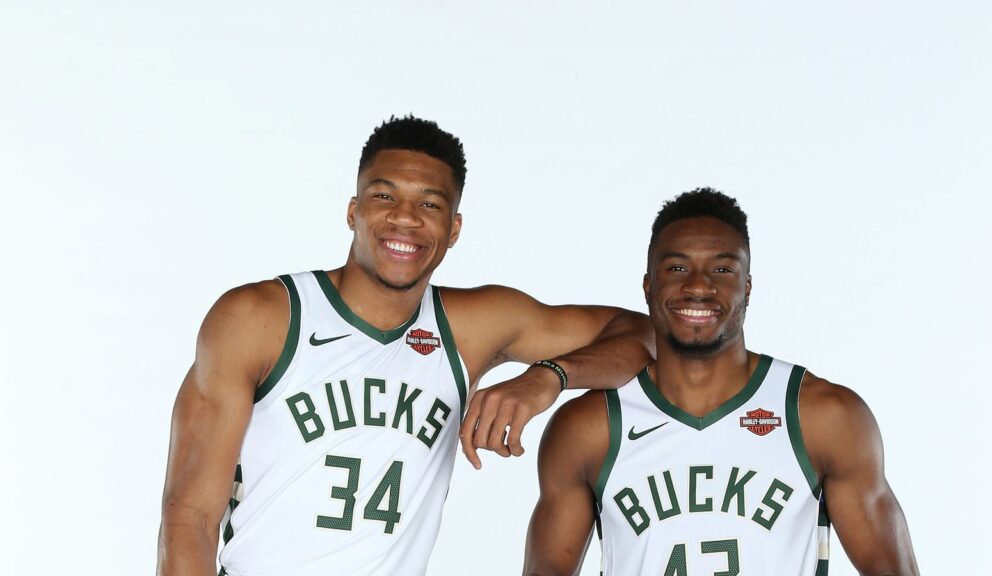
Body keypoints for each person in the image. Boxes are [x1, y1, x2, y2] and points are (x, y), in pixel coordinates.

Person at [156, 116, 653, 576]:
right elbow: (189, 517)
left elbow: (645, 336)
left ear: (453, 229)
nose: (406, 218)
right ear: (353, 211)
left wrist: (549, 376)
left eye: (429, 204)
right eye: (384, 196)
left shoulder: (470, 326)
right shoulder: (261, 317)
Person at [523, 188, 919, 576]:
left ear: (747, 287)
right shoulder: (590, 428)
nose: (698, 286)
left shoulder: (822, 416)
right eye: (677, 268)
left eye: (722, 269)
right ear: (648, 286)